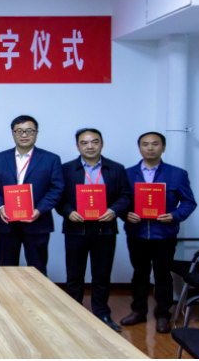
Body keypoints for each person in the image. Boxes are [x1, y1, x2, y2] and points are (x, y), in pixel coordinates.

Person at [55, 128, 132, 332]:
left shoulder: (116, 169)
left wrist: (113, 211)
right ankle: (74, 314)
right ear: (78, 146)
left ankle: (102, 314)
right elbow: (58, 197)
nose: (90, 146)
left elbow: (126, 195)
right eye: (84, 142)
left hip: (104, 229)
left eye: (94, 142)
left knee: (102, 275)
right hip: (76, 229)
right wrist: (68, 212)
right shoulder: (66, 169)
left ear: (101, 144)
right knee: (74, 275)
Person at [120, 132, 197, 334]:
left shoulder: (177, 174)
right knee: (139, 274)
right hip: (136, 234)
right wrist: (125, 214)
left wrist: (174, 215)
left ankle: (163, 315)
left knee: (162, 275)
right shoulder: (127, 174)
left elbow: (189, 202)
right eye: (145, 144)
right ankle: (138, 311)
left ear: (163, 147)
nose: (150, 148)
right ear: (139, 148)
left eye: (155, 144)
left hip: (164, 234)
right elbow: (119, 202)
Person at [0, 115, 64, 276]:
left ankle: (37, 295)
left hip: (38, 223)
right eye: (19, 131)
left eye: (29, 131)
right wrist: (0, 207)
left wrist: (39, 210)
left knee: (37, 270)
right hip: (6, 224)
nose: (24, 135)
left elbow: (57, 189)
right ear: (13, 133)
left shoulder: (51, 159)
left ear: (36, 133)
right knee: (7, 271)